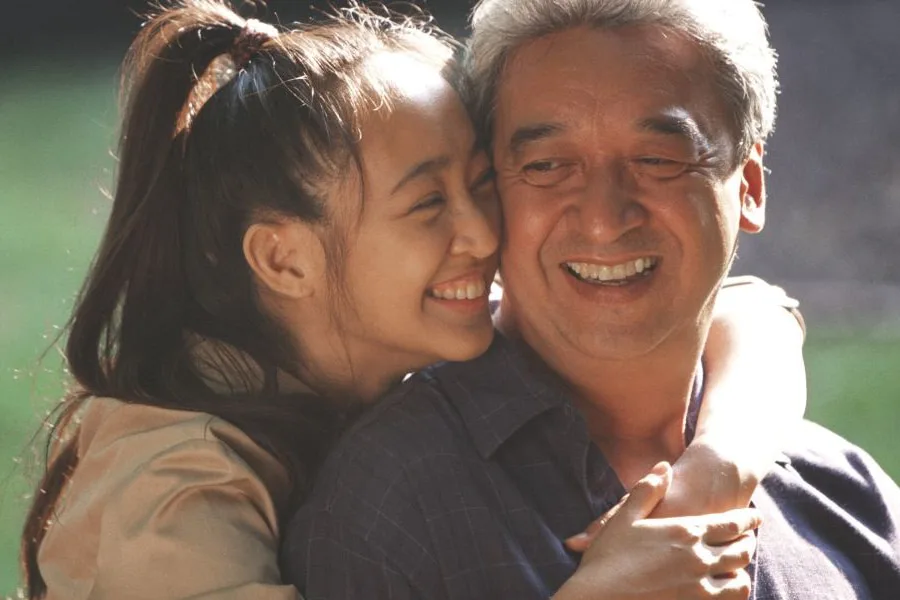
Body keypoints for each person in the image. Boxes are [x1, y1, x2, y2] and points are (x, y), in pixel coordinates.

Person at [21, 1, 807, 599]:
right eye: (428, 204)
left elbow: (755, 312)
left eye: (479, 185)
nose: (483, 231)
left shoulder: (369, 347)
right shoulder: (171, 487)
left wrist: (719, 462)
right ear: (284, 259)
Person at [282, 0, 900, 599]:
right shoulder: (389, 504)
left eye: (658, 160)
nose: (604, 221)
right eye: (548, 166)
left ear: (751, 186)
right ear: (491, 188)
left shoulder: (847, 496)